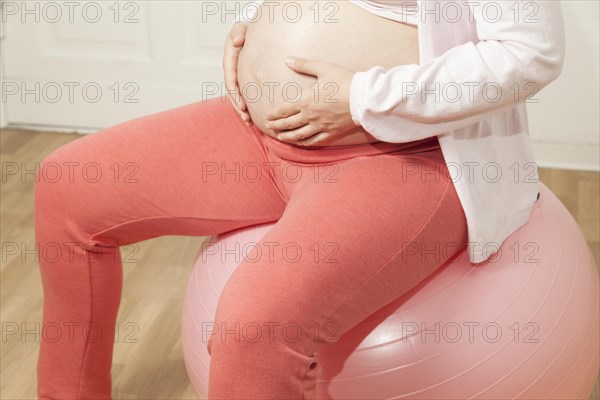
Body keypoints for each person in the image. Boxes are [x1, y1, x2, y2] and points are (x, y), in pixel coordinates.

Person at [35, 0, 565, 399]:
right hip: (262, 137)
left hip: (404, 158)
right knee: (69, 184)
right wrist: (252, 25)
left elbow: (529, 54)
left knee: (254, 328)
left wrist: (363, 100)